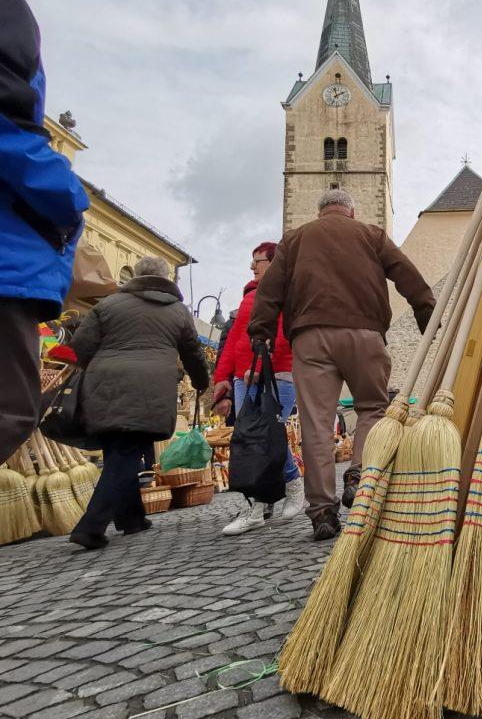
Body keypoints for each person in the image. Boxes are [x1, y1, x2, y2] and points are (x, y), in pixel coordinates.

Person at [249, 189, 434, 540]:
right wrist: (425, 308)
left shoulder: (295, 239)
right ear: (351, 211)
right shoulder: (370, 234)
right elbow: (404, 271)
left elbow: (269, 288)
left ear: (321, 212)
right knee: (372, 408)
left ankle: (322, 512)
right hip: (364, 332)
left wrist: (261, 330)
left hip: (311, 337)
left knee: (317, 424)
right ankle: (358, 474)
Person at [0, 0, 89, 462]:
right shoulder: (5, 7)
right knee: (10, 405)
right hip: (8, 258)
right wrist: (68, 196)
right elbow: (9, 126)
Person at [67, 257, 210, 550]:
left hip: (104, 384)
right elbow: (193, 352)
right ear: (167, 278)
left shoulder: (107, 305)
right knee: (126, 454)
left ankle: (131, 518)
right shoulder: (177, 311)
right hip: (150, 386)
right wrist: (200, 381)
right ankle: (91, 527)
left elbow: (80, 346)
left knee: (120, 451)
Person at [212, 241, 304, 535]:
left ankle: (293, 482)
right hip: (243, 377)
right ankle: (256, 506)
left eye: (258, 261)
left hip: (277, 374)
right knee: (250, 437)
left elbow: (283, 335)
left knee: (267, 434)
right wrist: (223, 378)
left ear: (274, 263)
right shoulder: (249, 296)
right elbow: (234, 340)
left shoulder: (288, 293)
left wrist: (262, 366)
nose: (252, 266)